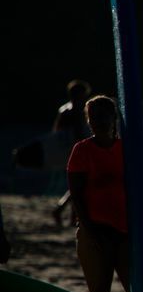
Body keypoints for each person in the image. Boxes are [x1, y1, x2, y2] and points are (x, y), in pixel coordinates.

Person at [67, 96, 131, 292]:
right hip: (93, 232)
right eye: (93, 117)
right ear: (88, 121)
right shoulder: (82, 150)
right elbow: (76, 195)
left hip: (124, 233)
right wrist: (91, 231)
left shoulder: (127, 150)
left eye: (104, 115)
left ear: (114, 118)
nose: (99, 121)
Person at [52, 79, 93, 226]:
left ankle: (70, 216)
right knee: (78, 186)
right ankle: (63, 212)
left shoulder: (65, 110)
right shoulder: (74, 111)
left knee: (77, 186)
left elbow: (56, 132)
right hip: (75, 152)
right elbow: (65, 134)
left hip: (72, 152)